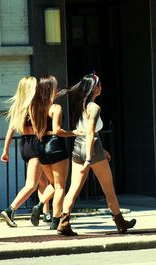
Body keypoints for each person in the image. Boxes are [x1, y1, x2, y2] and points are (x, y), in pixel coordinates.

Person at [56, 73, 136, 236]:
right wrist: (90, 157)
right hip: (91, 147)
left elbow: (88, 131)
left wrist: (100, 151)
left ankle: (63, 223)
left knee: (73, 188)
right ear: (95, 88)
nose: (101, 87)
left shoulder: (80, 104)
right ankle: (120, 222)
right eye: (99, 84)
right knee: (108, 188)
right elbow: (91, 132)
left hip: (78, 145)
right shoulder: (94, 107)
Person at [29, 75, 82, 230]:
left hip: (40, 148)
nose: (57, 89)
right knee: (60, 187)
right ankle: (56, 221)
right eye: (55, 86)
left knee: (53, 183)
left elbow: (37, 131)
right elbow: (58, 131)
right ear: (50, 89)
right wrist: (74, 132)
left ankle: (39, 206)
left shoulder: (33, 108)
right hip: (56, 147)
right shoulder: (55, 108)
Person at [0, 76, 55, 227]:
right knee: (32, 184)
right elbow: (39, 129)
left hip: (24, 145)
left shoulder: (18, 106)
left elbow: (10, 130)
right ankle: (11, 209)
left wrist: (5, 151)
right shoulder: (34, 106)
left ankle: (46, 213)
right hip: (35, 145)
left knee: (42, 181)